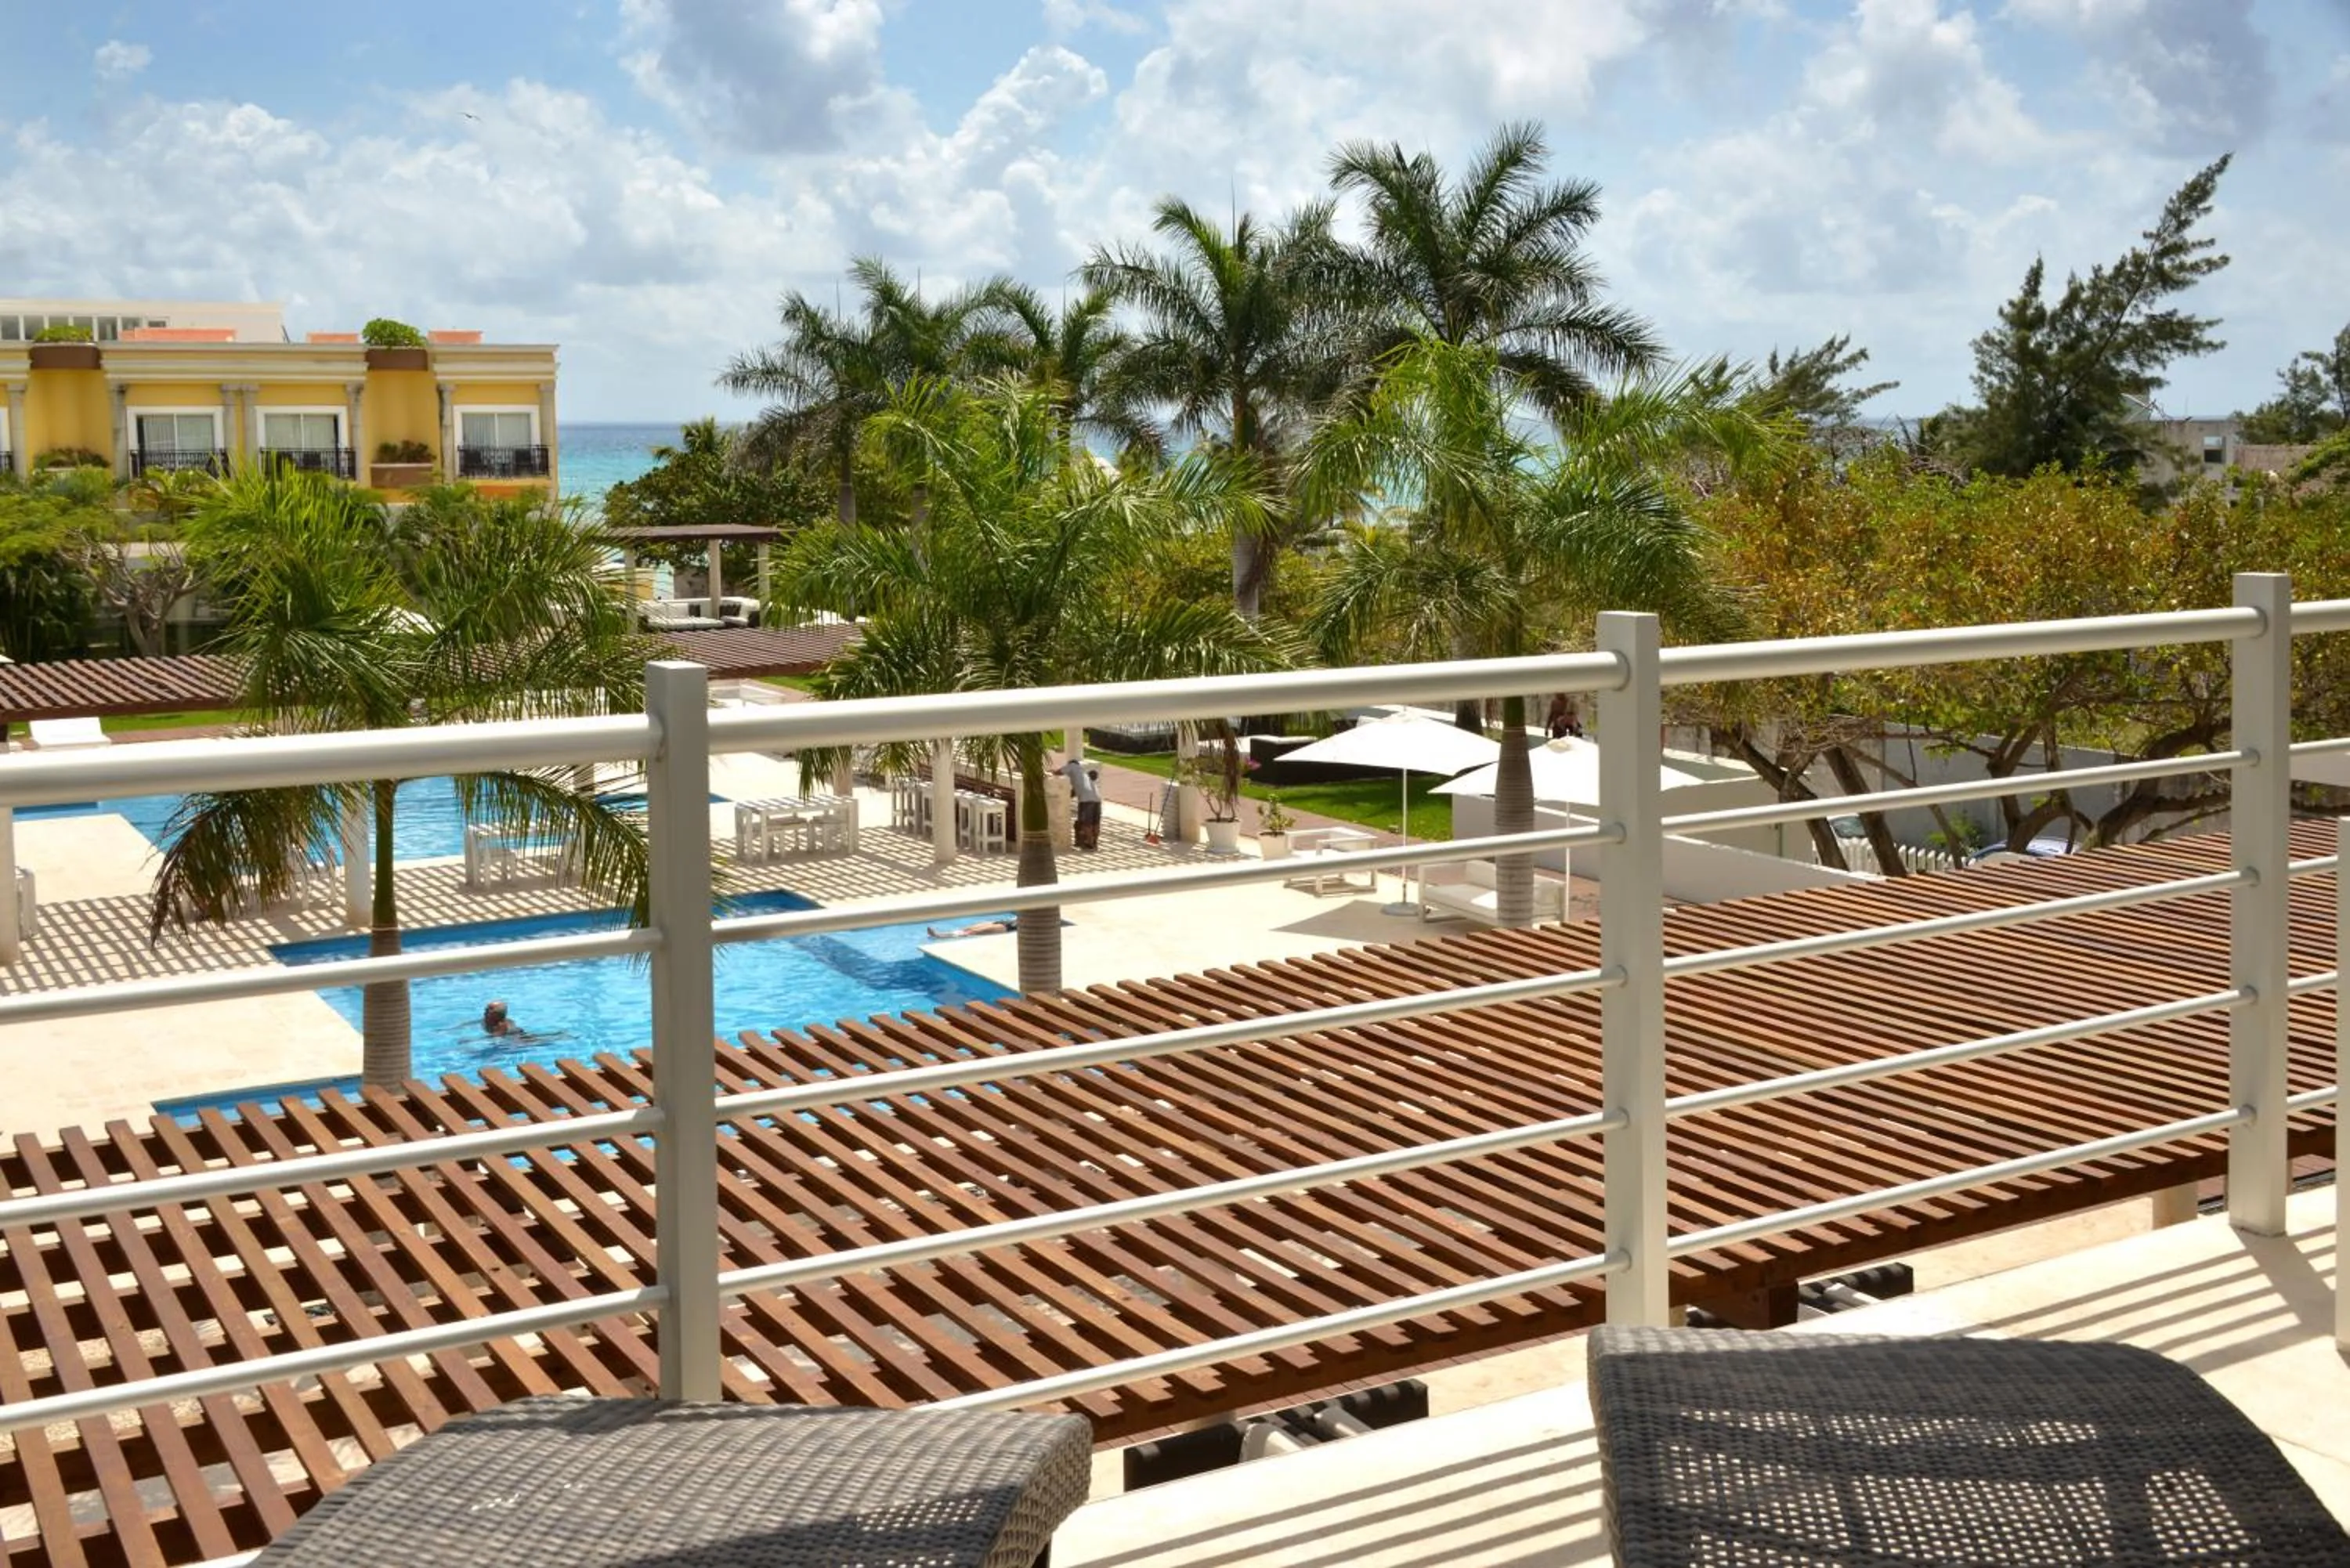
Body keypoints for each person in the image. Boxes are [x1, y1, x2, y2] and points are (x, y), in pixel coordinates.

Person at [1060, 757, 1104, 850]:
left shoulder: (1073, 766)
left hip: (1086, 801)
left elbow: (1059, 772)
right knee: (1095, 823)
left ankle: (1090, 843)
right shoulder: (1084, 777)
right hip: (1097, 800)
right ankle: (1095, 842)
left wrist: (1052, 772)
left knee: (1085, 823)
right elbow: (1074, 792)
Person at [927, 919, 1014, 939]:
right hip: (1006, 922)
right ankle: (945, 933)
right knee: (968, 928)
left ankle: (940, 935)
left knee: (974, 932)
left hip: (1010, 927)